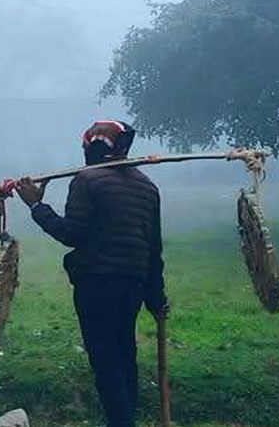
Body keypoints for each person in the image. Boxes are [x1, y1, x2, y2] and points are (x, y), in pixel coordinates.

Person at [12, 120, 169, 427]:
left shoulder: (87, 180)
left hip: (97, 285)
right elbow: (153, 250)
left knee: (106, 362)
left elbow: (72, 234)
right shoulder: (147, 187)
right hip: (133, 286)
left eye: (85, 146)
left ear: (93, 147)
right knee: (125, 357)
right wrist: (156, 298)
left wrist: (35, 205)